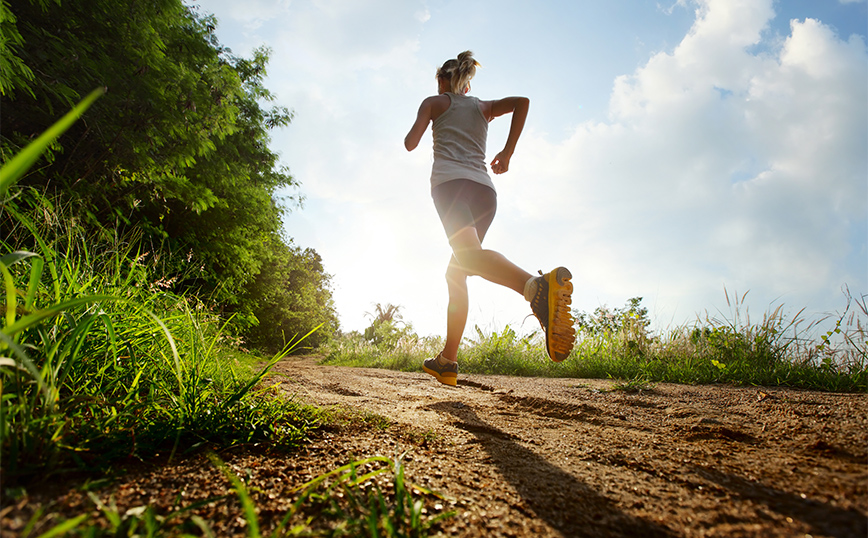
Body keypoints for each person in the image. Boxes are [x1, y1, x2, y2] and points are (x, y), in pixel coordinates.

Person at [404, 51, 575, 387]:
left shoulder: (434, 102)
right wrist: (507, 152)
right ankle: (447, 361)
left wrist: (427, 116)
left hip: (451, 186)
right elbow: (522, 102)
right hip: (484, 191)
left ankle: (535, 287)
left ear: (442, 81)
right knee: (458, 271)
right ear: (466, 85)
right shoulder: (482, 107)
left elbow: (411, 143)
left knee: (467, 259)